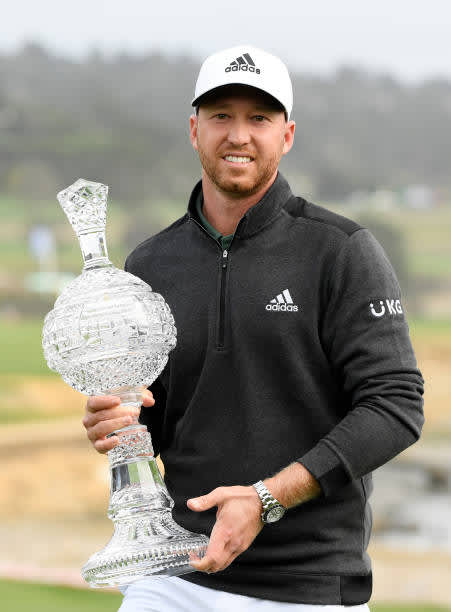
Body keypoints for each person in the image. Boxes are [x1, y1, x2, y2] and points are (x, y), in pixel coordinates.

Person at [83, 45, 424, 611]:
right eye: (221, 116)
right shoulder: (150, 264)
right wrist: (119, 420)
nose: (238, 135)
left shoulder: (340, 252)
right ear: (195, 130)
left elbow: (395, 406)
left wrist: (267, 498)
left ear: (286, 135)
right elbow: (157, 414)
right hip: (175, 576)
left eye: (258, 118)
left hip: (307, 587)